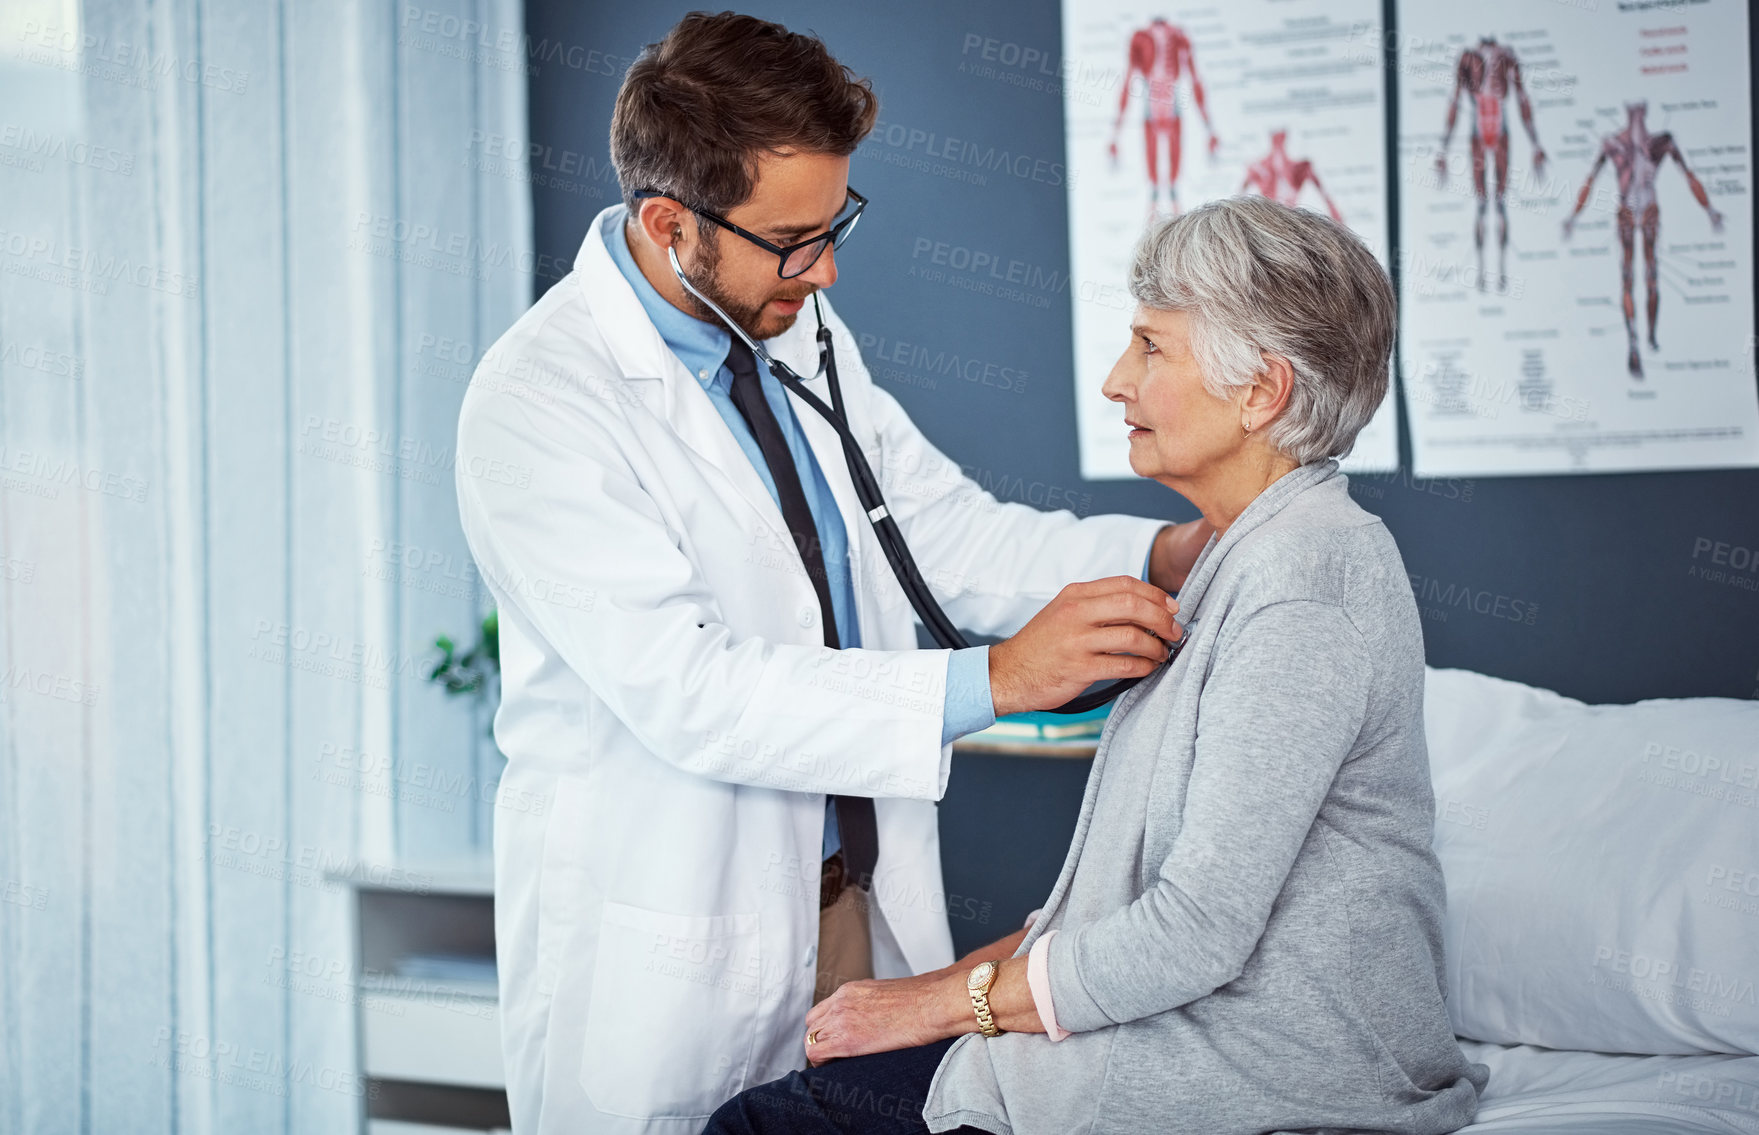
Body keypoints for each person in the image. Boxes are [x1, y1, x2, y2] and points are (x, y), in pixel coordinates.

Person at [453, 12, 1211, 1135]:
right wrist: (993, 680)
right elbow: (693, 691)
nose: (829, 266)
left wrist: (1155, 551)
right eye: (795, 238)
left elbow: (938, 530)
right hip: (672, 933)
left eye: (834, 222)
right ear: (670, 225)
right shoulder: (540, 404)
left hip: (849, 904)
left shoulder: (789, 320)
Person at [704, 196, 1491, 1135]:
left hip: (1270, 1069)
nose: (1118, 380)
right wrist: (936, 990)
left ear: (1261, 392)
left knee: (760, 1126)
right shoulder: (1251, 557)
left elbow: (1193, 931)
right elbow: (1135, 904)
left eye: (1151, 347)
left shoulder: (1299, 585)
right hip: (1225, 1042)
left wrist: (940, 1005)